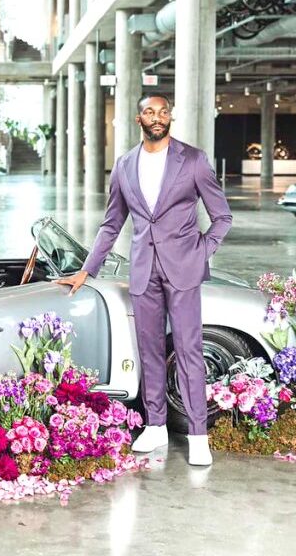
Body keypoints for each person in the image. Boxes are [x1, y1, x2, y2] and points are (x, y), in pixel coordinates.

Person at [55, 94, 232, 466]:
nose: (158, 118)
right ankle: (155, 427)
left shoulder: (194, 161)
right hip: (143, 270)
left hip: (182, 270)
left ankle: (199, 433)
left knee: (188, 349)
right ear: (138, 119)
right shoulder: (124, 166)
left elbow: (222, 217)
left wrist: (201, 251)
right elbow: (111, 224)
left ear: (170, 117)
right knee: (148, 350)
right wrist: (88, 269)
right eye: (150, 112)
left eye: (164, 111)